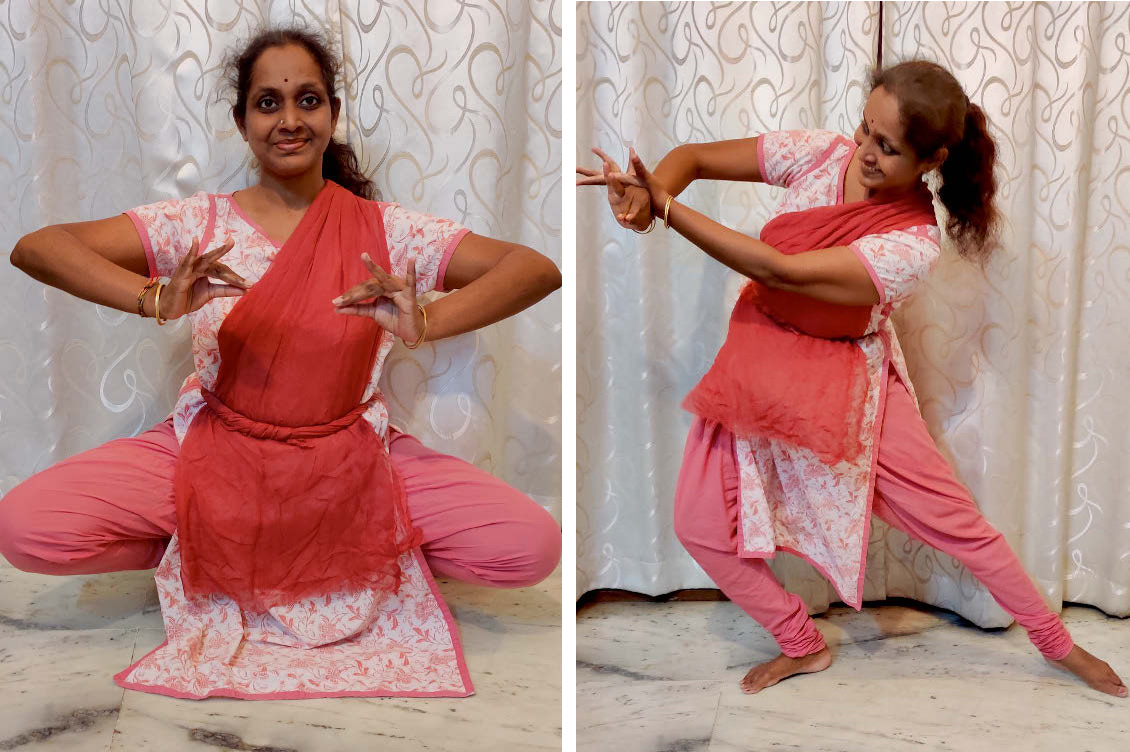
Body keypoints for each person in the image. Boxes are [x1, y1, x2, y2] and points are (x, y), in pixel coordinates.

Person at [3, 26, 561, 700]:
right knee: (28, 529)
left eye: (308, 100)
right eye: (268, 103)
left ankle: (340, 548)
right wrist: (154, 297)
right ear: (241, 122)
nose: (290, 120)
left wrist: (428, 319)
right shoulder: (198, 224)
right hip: (215, 447)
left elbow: (534, 268)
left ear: (332, 113)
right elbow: (39, 246)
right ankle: (211, 548)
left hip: (348, 458)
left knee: (526, 547)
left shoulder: (386, 229)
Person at [578, 59, 1126, 698]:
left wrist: (668, 209)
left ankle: (1058, 645)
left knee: (955, 521)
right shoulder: (819, 156)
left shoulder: (914, 242)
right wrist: (644, 199)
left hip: (848, 378)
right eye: (865, 130)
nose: (863, 152)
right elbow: (692, 156)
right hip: (759, 355)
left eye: (887, 147)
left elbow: (782, 269)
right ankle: (801, 642)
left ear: (932, 158)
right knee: (699, 524)